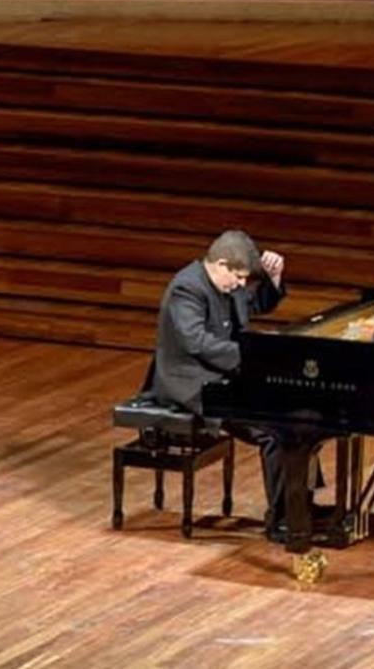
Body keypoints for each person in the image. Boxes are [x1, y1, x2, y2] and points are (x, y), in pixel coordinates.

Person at [150, 229, 323, 542]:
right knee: (275, 430)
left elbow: (255, 304)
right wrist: (251, 354)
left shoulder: (226, 285)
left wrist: (274, 278)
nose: (243, 285)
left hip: (227, 374)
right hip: (194, 382)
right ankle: (282, 520)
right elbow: (196, 342)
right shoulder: (186, 288)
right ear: (220, 264)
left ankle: (301, 504)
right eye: (240, 277)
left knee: (300, 411)